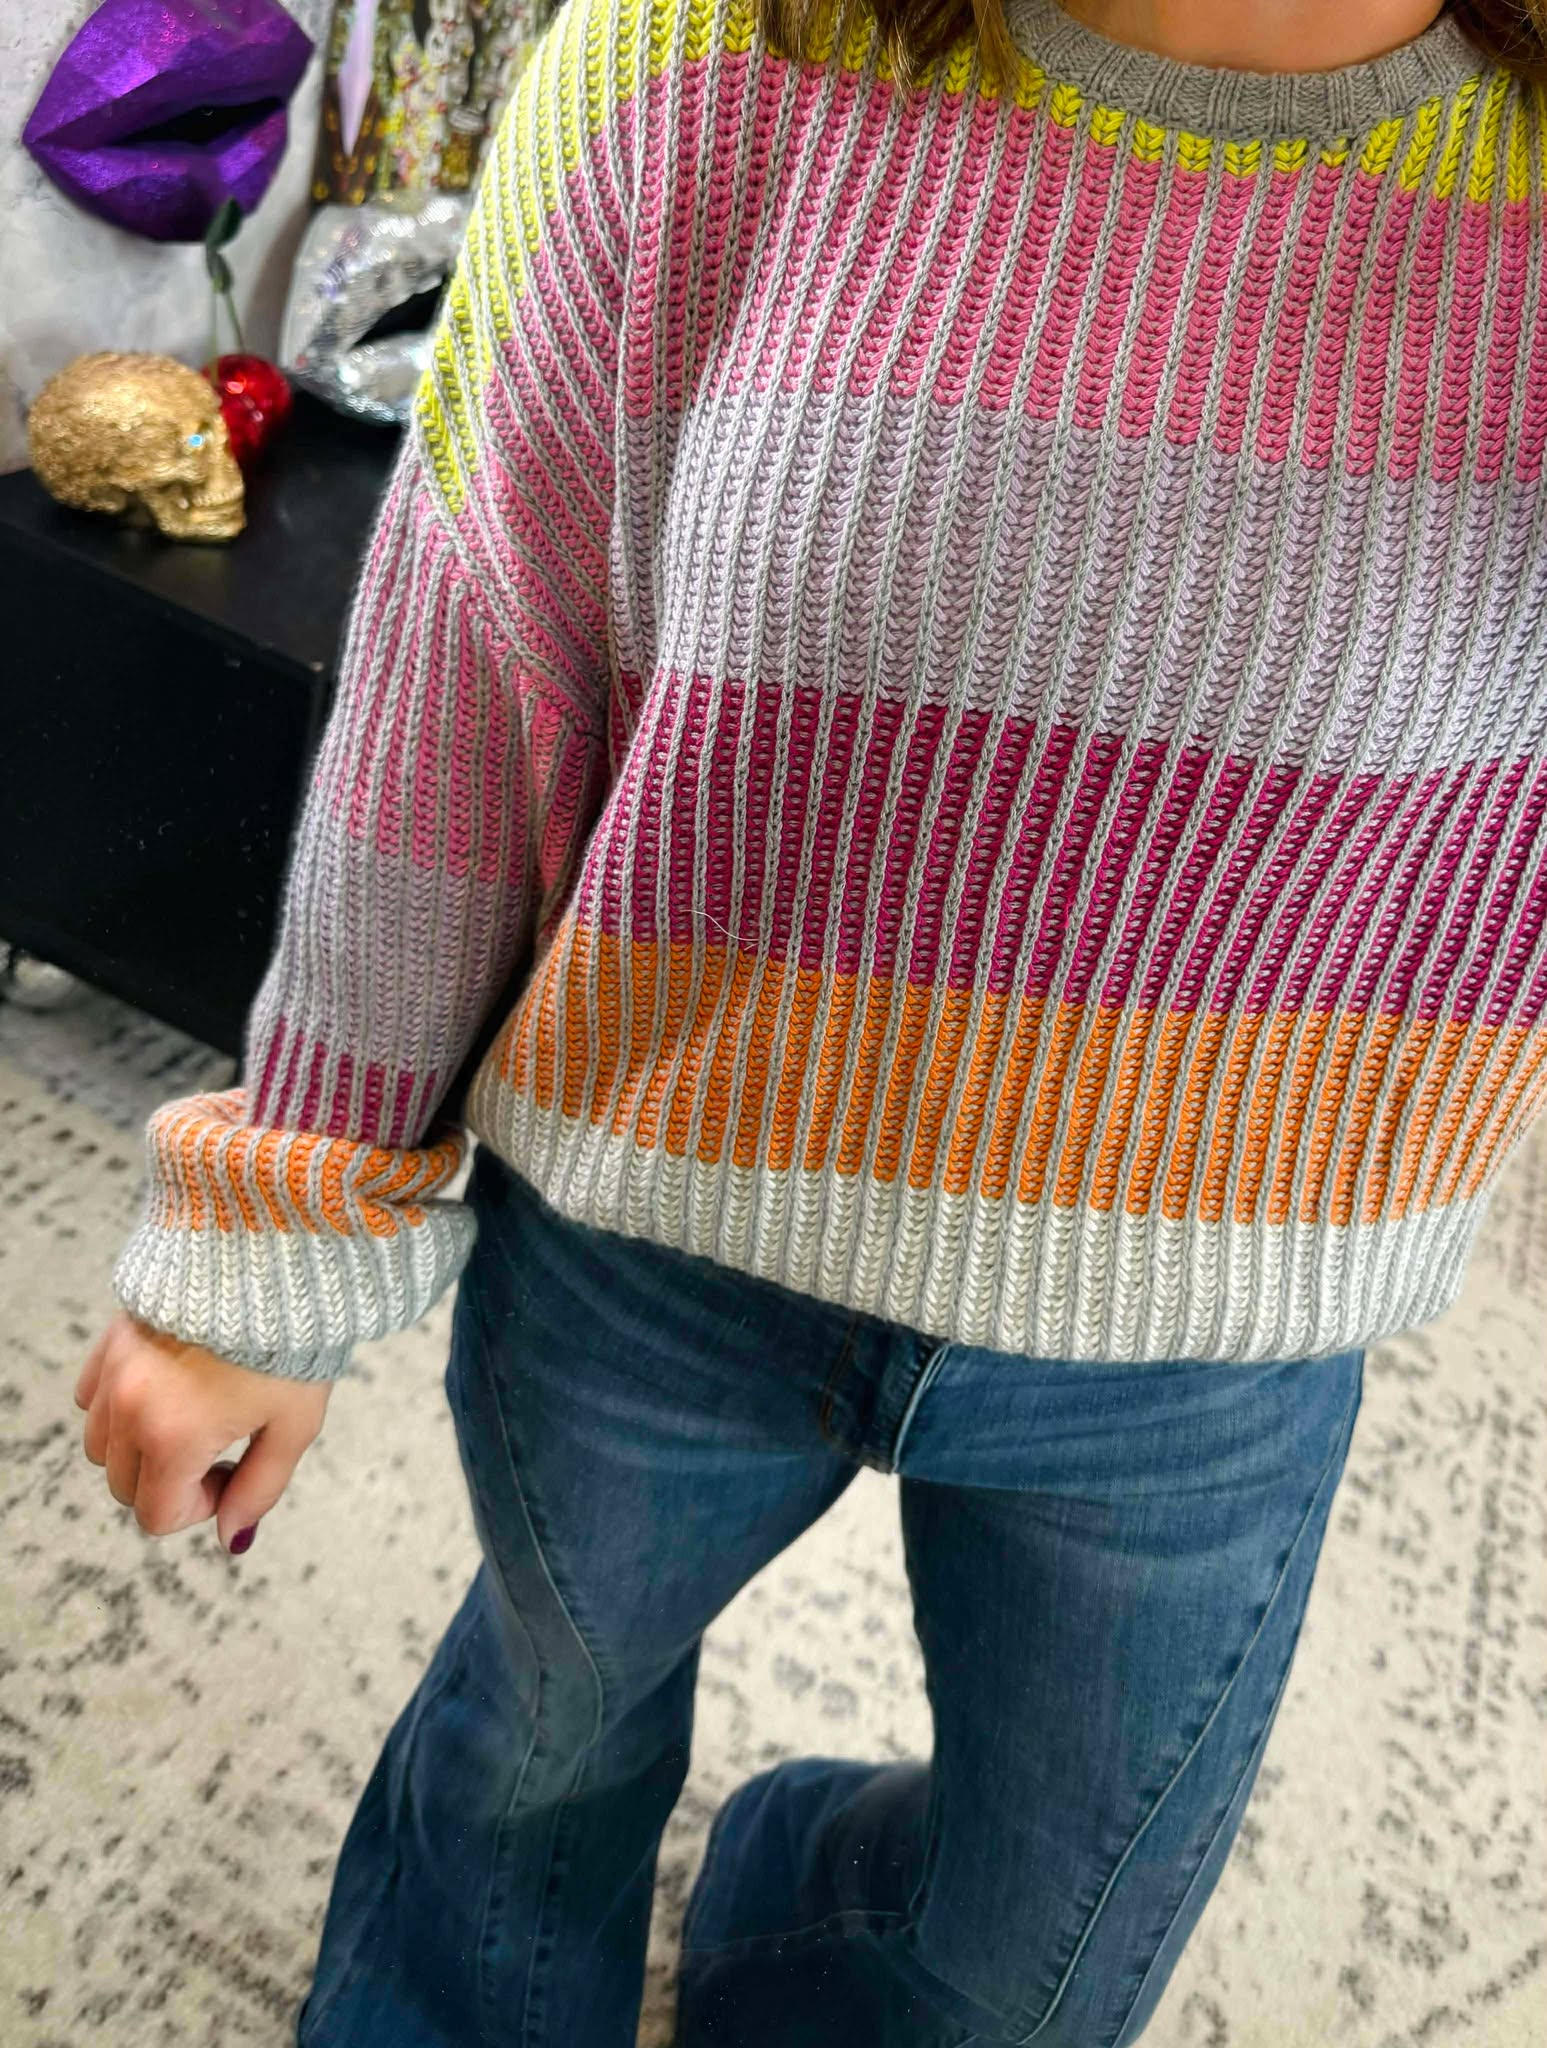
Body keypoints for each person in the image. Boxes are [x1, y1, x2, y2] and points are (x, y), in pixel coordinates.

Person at [74, 0, 1547, 2041]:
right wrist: (279, 1215)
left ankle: (786, 1901)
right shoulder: (688, 62)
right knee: (534, 1759)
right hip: (648, 1243)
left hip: (1219, 1329)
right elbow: (470, 661)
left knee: (1029, 1965)